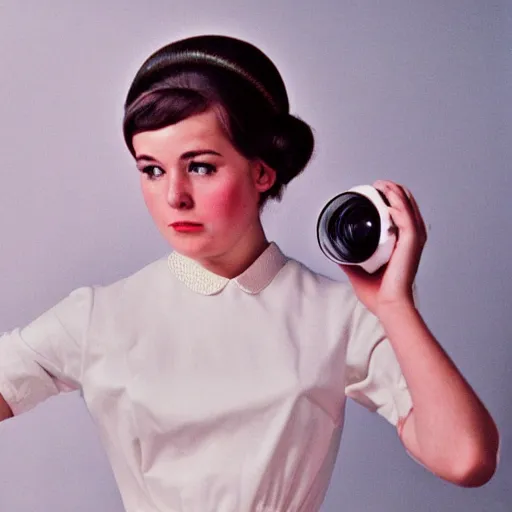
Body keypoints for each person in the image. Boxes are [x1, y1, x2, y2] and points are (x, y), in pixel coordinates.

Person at [0, 34, 499, 512]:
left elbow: (466, 459)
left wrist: (394, 307)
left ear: (262, 171)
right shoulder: (100, 316)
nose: (174, 195)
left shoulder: (338, 317)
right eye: (151, 169)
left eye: (200, 166)